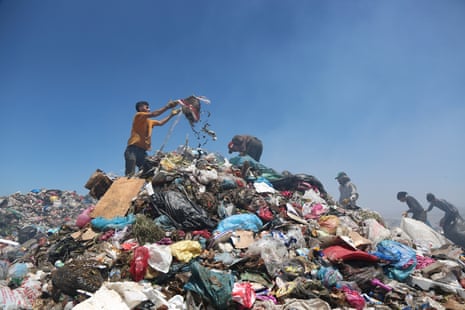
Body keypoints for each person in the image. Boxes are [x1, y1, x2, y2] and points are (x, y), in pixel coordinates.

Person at [124, 100, 180, 176]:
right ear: (140, 108)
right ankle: (127, 185)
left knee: (148, 170)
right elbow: (154, 114)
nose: (149, 109)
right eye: (147, 107)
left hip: (142, 152)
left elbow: (160, 123)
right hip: (132, 150)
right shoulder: (138, 115)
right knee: (130, 173)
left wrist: (171, 115)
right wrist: (167, 107)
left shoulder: (150, 121)